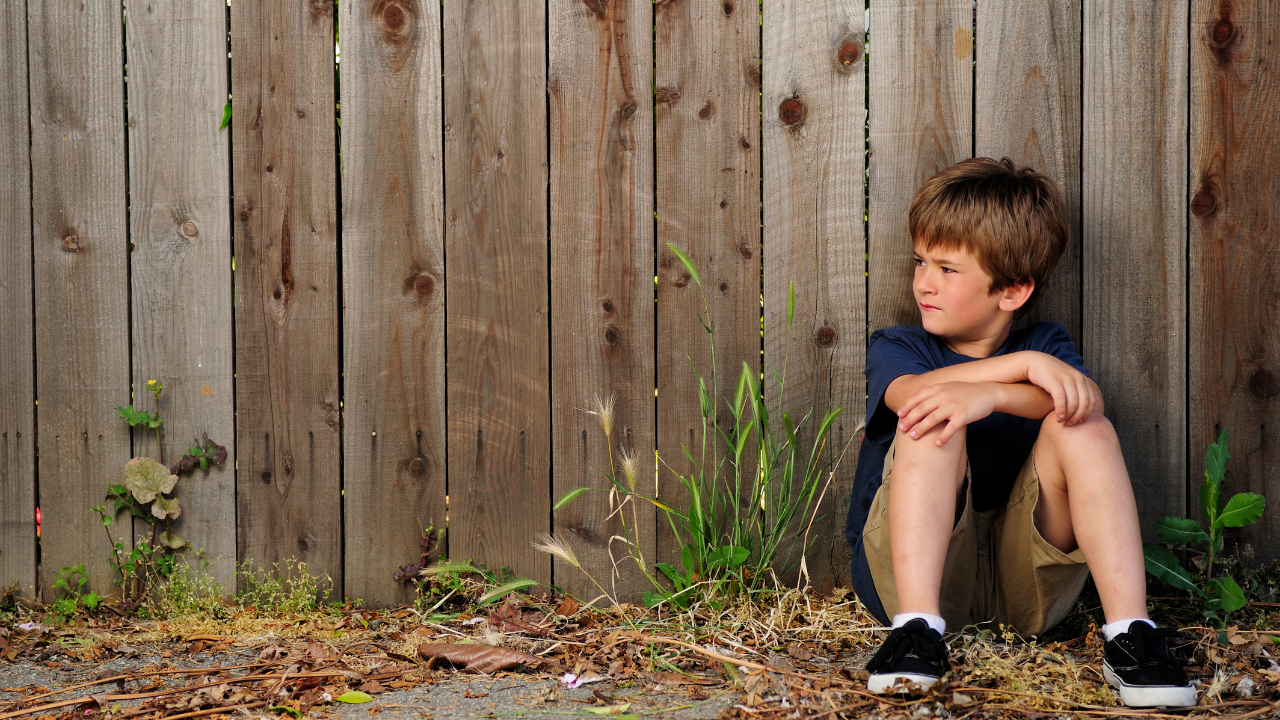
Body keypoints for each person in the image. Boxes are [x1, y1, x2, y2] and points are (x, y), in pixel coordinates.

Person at [844, 158, 1196, 708]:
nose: (923, 282)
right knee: (933, 415)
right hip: (911, 579)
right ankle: (915, 632)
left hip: (1026, 583)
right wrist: (1022, 370)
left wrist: (1000, 390)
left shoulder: (1046, 345)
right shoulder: (898, 346)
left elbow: (1087, 402)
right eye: (920, 262)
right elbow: (912, 397)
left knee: (1082, 426)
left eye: (947, 269)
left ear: (1011, 292)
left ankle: (1132, 635)